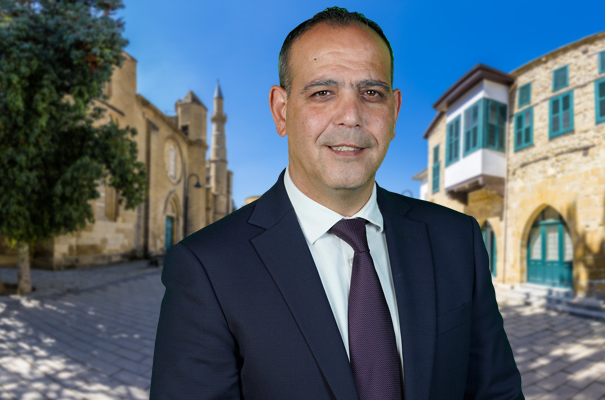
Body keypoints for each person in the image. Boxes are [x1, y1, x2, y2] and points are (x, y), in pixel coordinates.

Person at [150, 7, 523, 400]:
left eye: (371, 93)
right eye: (322, 93)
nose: (350, 116)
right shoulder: (206, 267)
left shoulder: (457, 239)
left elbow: (496, 391)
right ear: (281, 111)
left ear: (394, 112)